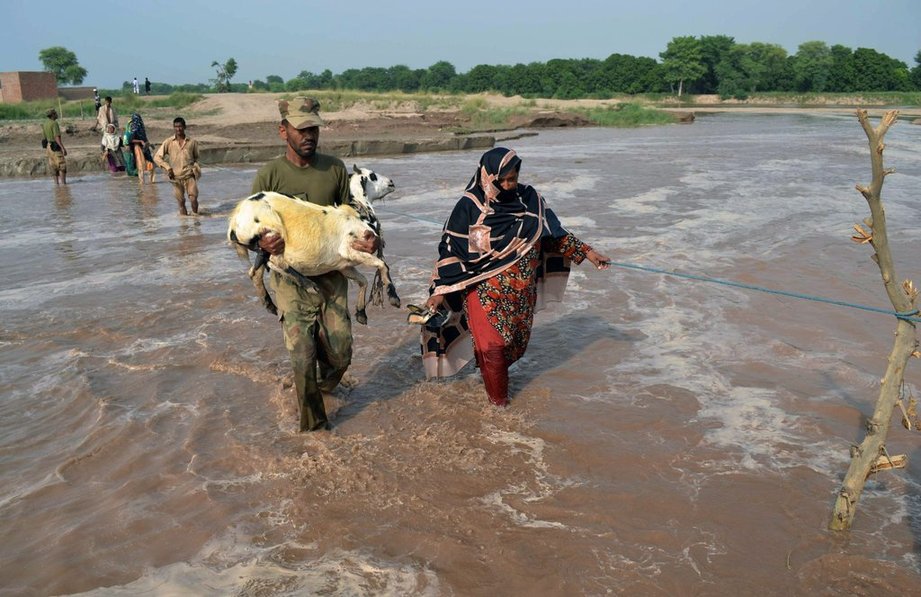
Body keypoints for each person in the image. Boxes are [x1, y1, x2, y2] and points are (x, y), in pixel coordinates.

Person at [421, 147, 610, 407]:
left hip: (521, 295)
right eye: (503, 180)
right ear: (488, 177)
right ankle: (499, 408)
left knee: (511, 347)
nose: (509, 185)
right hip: (483, 290)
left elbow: (554, 235)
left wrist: (588, 253)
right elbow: (453, 249)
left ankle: (491, 388)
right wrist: (440, 291)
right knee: (492, 348)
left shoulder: (530, 200)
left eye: (513, 178)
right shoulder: (470, 206)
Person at [250, 97, 378, 432]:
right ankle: (314, 427)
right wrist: (262, 242)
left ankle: (324, 387)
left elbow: (352, 219)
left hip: (331, 273)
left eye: (314, 128)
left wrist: (367, 238)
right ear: (283, 131)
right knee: (301, 353)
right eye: (301, 128)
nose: (309, 134)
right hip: (289, 277)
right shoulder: (269, 176)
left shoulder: (335, 170)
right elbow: (248, 228)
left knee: (341, 355)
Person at [154, 117, 201, 215]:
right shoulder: (168, 142)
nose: (178, 129)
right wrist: (168, 168)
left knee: (193, 198)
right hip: (175, 177)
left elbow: (196, 158)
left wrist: (195, 169)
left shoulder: (192, 142)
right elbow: (157, 157)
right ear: (173, 128)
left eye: (180, 126)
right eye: (176, 127)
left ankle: (196, 219)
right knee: (181, 202)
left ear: (184, 127)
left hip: (189, 175)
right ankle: (184, 225)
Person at [123, 112, 155, 184]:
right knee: (140, 166)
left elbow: (144, 138)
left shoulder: (141, 127)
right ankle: (142, 182)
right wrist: (140, 141)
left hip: (144, 148)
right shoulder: (133, 127)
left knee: (150, 165)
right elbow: (130, 140)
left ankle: (151, 183)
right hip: (137, 148)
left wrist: (149, 144)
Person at [41, 108, 67, 185]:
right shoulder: (54, 123)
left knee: (53, 166)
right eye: (55, 113)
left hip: (48, 147)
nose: (56, 114)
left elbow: (44, 137)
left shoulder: (45, 124)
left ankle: (56, 185)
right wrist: (62, 148)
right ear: (52, 115)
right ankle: (63, 184)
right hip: (55, 146)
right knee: (62, 166)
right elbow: (56, 137)